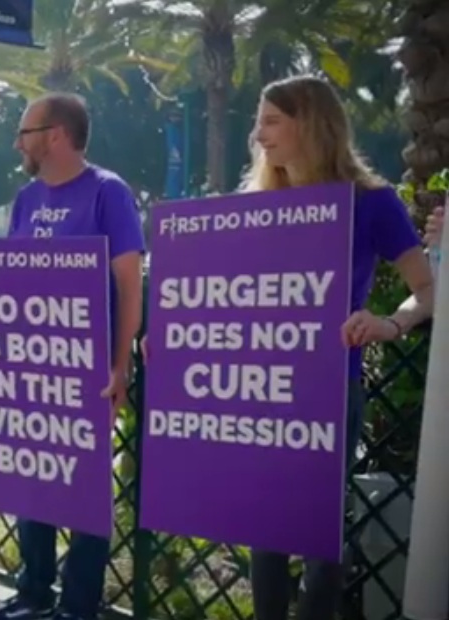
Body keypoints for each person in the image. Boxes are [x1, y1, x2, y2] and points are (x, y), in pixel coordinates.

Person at [142, 75, 434, 620]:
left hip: (327, 390)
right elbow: (216, 299)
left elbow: (426, 290)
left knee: (321, 538)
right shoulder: (250, 208)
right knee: (265, 531)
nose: (257, 134)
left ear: (312, 123)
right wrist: (173, 339)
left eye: (271, 120)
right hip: (258, 391)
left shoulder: (371, 202)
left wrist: (388, 324)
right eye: (258, 121)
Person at [0, 93, 145, 620]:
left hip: (86, 372)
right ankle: (33, 595)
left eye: (24, 132)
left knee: (85, 489)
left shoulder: (107, 192)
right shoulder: (27, 199)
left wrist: (120, 365)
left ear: (55, 135)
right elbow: (12, 284)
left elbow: (129, 284)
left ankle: (78, 605)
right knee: (33, 479)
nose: (16, 143)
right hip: (30, 367)